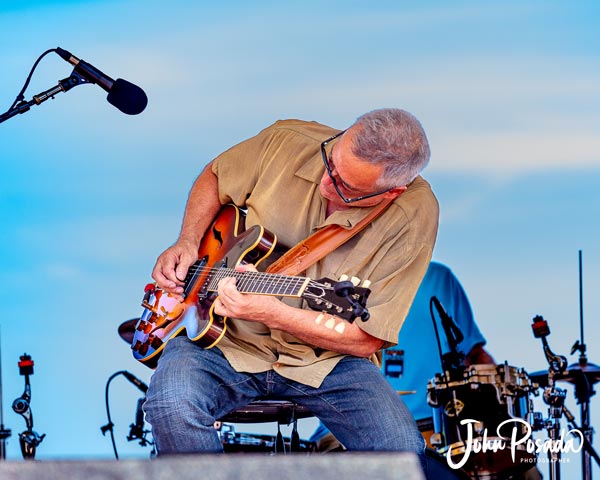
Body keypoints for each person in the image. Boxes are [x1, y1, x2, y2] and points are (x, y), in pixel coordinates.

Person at [143, 108, 439, 473]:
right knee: (169, 406)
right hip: (225, 342)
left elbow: (366, 339)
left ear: (390, 193)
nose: (325, 184)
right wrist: (188, 242)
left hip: (325, 358)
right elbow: (215, 177)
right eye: (331, 163)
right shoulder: (287, 140)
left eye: (347, 189)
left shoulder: (413, 216)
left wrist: (272, 313)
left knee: (403, 453)